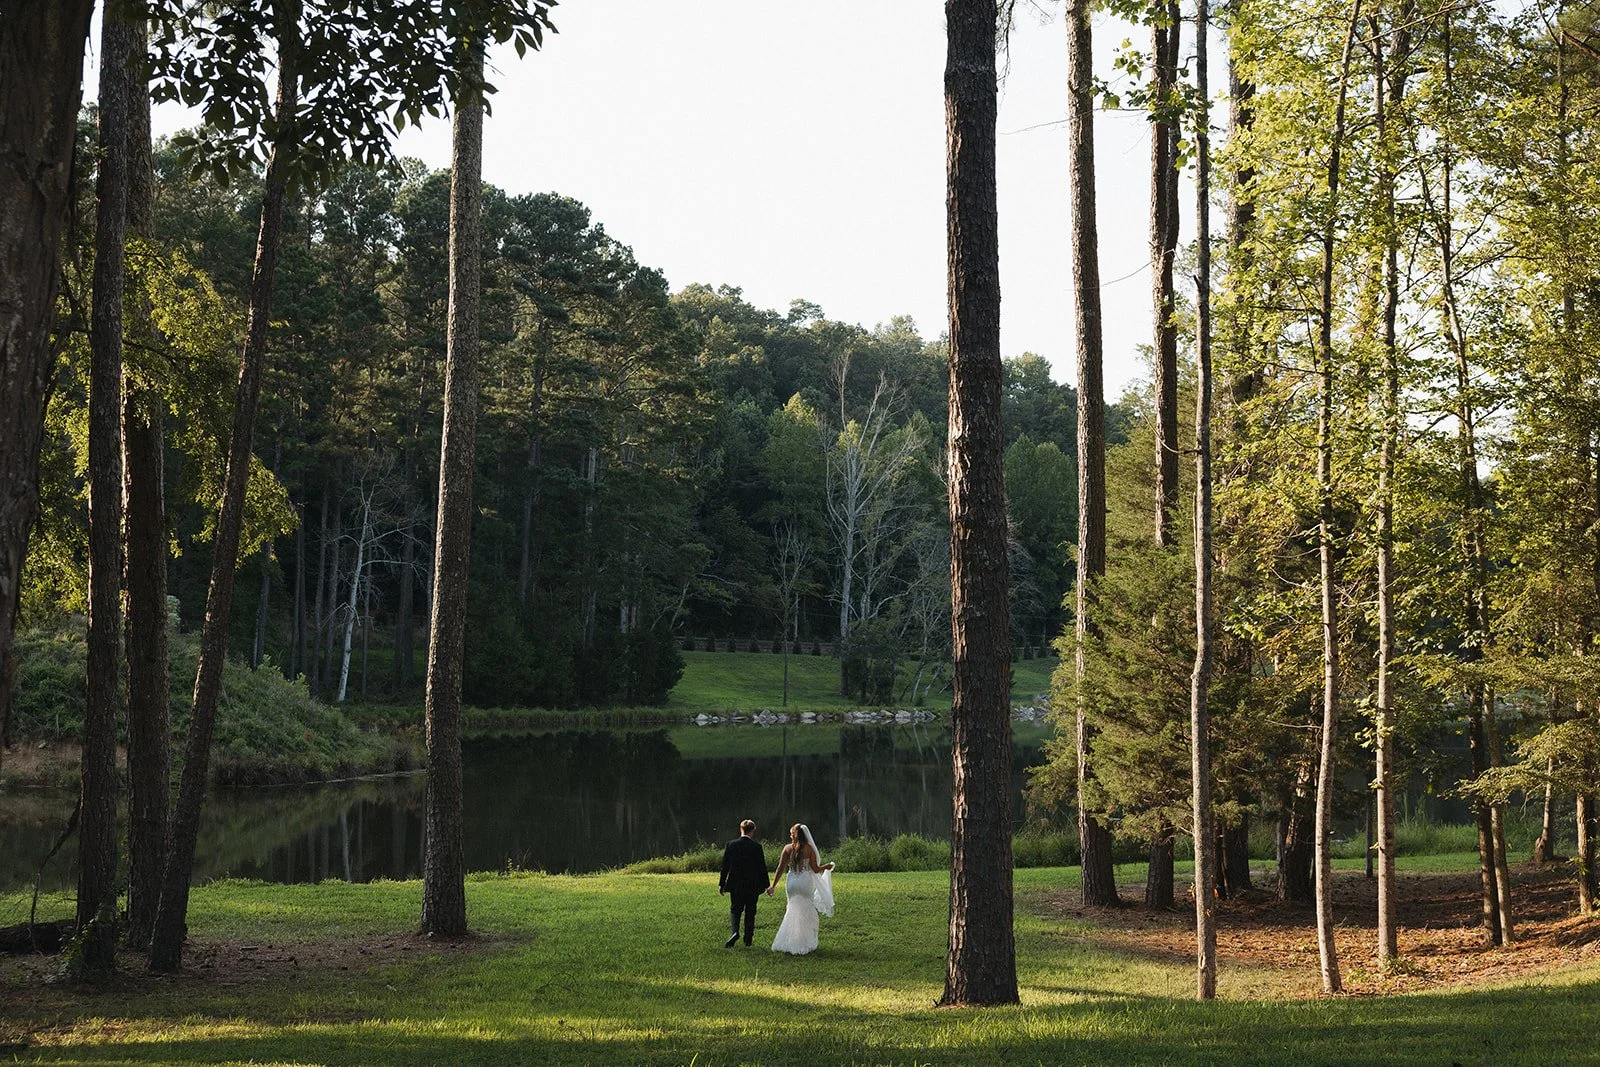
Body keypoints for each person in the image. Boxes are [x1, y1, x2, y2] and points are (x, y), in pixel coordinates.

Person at [767, 822, 834, 955]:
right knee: (807, 912)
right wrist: (826, 867)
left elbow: (780, 868)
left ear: (794, 835)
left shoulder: (787, 848)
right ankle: (804, 941)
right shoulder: (809, 849)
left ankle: (788, 940)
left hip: (791, 882)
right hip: (804, 882)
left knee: (791, 910)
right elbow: (815, 869)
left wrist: (773, 886)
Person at [718, 818, 770, 947]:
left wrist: (722, 884)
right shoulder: (757, 847)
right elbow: (762, 867)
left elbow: (725, 866)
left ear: (741, 829)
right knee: (750, 911)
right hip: (753, 885)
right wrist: (766, 885)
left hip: (735, 884)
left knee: (735, 910)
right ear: (752, 831)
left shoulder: (731, 845)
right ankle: (748, 939)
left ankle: (735, 932)